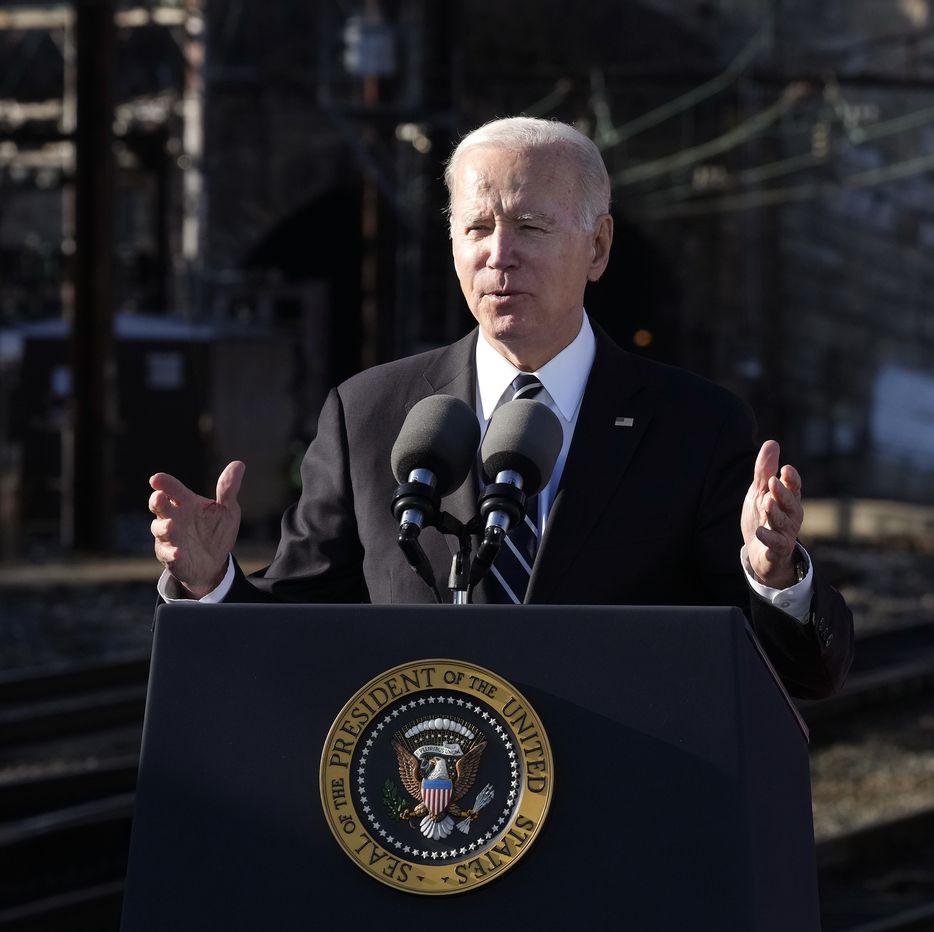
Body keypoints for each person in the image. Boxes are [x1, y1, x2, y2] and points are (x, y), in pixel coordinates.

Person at [146, 117, 851, 698]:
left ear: (598, 246)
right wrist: (212, 585)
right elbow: (293, 639)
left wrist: (775, 576)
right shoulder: (366, 414)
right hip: (425, 821)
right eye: (477, 228)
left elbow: (804, 675)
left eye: (531, 229)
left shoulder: (696, 426)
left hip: (619, 817)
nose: (499, 255)